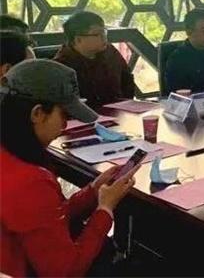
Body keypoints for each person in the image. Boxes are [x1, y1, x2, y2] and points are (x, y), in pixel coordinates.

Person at [0, 59, 138, 277]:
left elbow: (44, 219)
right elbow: (66, 271)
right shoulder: (29, 181)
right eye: (64, 115)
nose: (65, 126)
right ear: (37, 114)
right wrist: (105, 210)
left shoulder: (10, 156)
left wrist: (93, 191)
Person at [54, 11, 136, 108]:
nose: (104, 37)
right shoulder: (61, 65)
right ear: (78, 40)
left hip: (120, 111)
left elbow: (127, 80)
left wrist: (125, 106)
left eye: (104, 32)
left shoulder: (110, 52)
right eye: (98, 34)